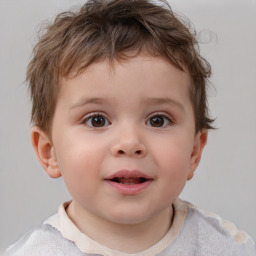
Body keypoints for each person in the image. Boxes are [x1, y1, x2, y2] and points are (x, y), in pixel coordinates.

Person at [4, 0, 255, 255]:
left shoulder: (228, 248)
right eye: (97, 120)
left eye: (158, 120)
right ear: (50, 152)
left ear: (193, 151)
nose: (129, 143)